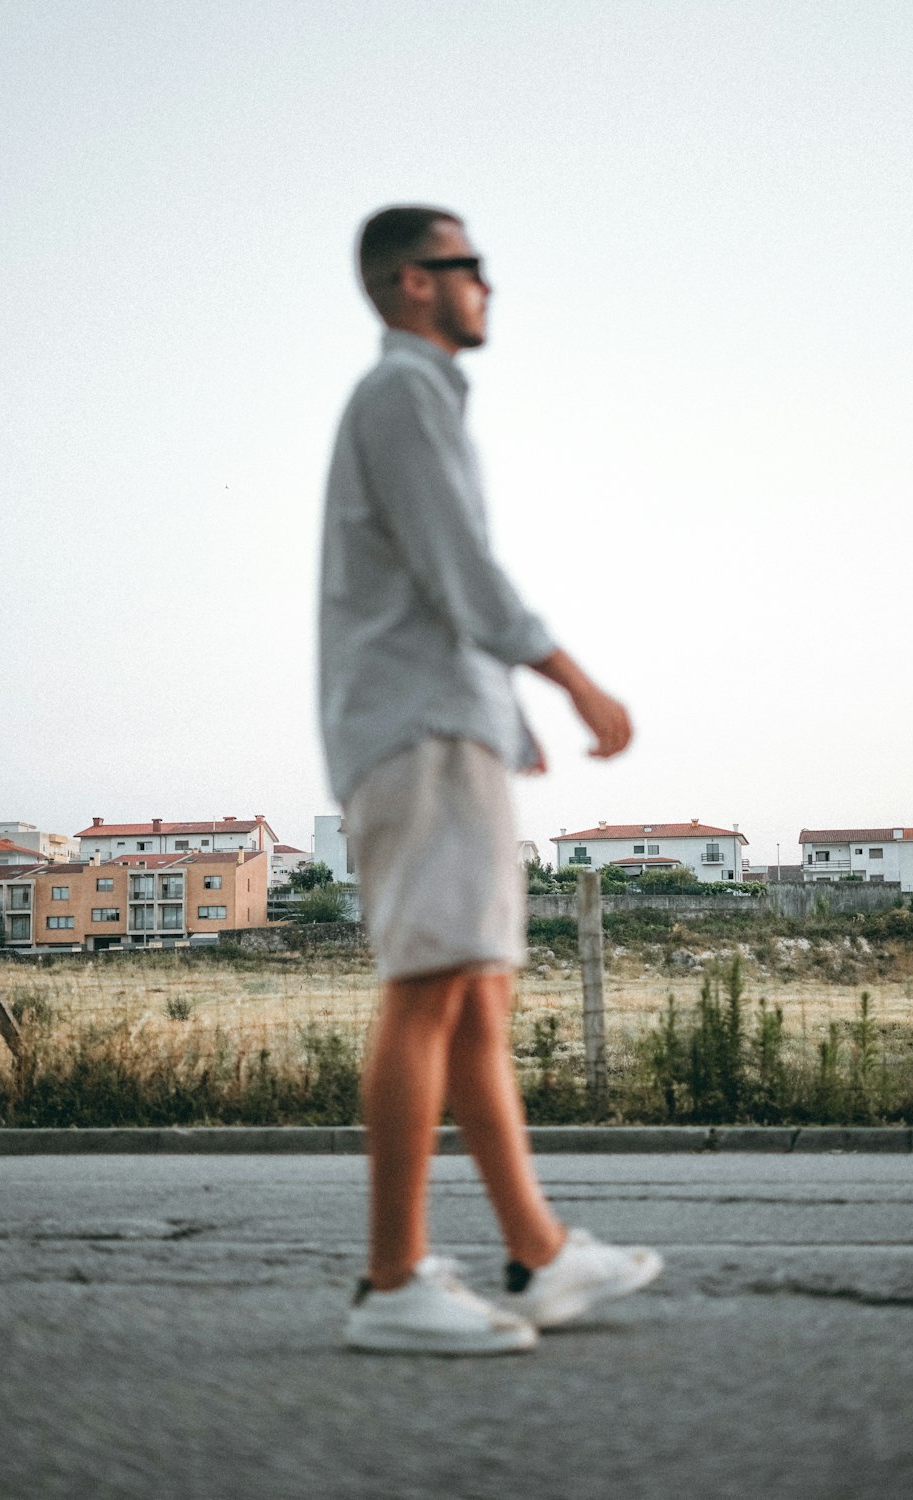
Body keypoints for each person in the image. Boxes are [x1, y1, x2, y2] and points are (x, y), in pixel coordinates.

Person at [320, 204, 662, 1354]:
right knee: (431, 985)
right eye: (471, 267)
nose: (488, 286)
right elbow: (461, 569)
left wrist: (502, 717)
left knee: (476, 992)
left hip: (443, 723)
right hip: (416, 728)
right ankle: (389, 1281)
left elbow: (436, 584)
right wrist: (572, 679)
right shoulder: (403, 393)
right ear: (413, 282)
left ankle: (541, 1254)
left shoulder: (416, 397)